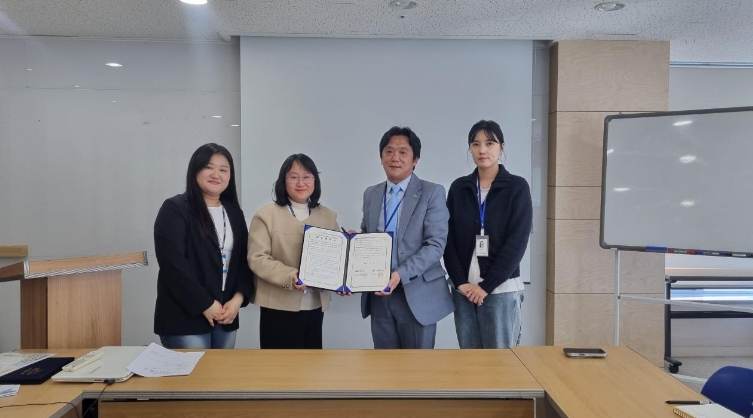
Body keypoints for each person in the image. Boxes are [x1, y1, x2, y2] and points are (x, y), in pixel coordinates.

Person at [360, 126, 454, 349]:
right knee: (384, 364)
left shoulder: (432, 192)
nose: (395, 158)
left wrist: (400, 275)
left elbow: (435, 245)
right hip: (379, 294)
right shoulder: (371, 194)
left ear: (415, 160)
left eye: (403, 152)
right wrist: (355, 243)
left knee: (417, 366)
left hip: (417, 293)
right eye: (389, 151)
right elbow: (367, 234)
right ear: (381, 157)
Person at [154, 143, 254, 349]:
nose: (216, 174)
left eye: (223, 169)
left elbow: (244, 260)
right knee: (195, 371)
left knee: (223, 371)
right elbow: (173, 265)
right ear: (195, 170)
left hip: (226, 315)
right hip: (185, 316)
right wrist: (206, 304)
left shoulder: (234, 212)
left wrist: (237, 300)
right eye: (209, 167)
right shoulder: (175, 208)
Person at [444, 120, 533, 349]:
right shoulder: (459, 188)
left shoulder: (517, 187)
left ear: (501, 147)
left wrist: (486, 286)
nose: (482, 150)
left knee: (501, 362)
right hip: (464, 293)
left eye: (490, 143)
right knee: (470, 361)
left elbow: (517, 243)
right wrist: (460, 282)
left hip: (501, 291)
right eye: (476, 144)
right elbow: (448, 240)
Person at [248, 153, 339, 349]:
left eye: (307, 176)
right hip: (278, 305)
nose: (301, 183)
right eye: (293, 177)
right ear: (283, 180)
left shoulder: (328, 217)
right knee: (281, 366)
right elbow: (257, 258)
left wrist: (345, 279)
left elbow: (338, 257)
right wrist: (290, 276)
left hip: (315, 305)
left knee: (312, 364)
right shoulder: (266, 215)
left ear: (315, 181)